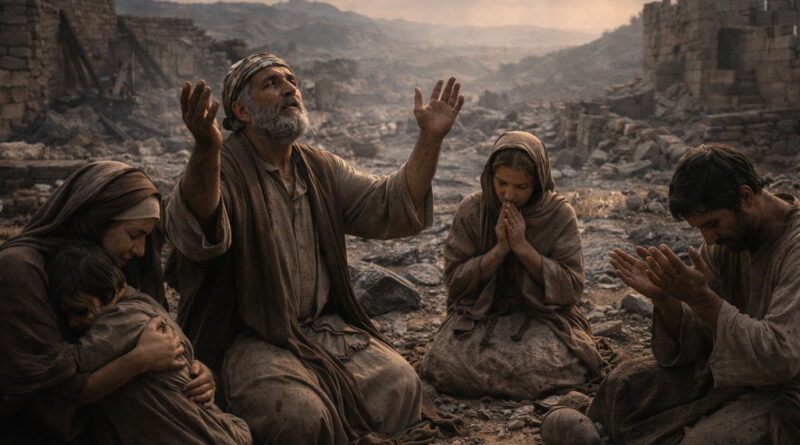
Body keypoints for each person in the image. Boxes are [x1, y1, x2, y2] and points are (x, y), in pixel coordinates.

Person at [165, 52, 464, 444]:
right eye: (272, 83)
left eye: (292, 81)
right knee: (297, 416)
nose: (290, 88)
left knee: (400, 384)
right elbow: (200, 226)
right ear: (241, 109)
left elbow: (389, 206)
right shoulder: (224, 168)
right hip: (250, 338)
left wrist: (429, 139)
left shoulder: (318, 167)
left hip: (320, 330)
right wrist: (206, 149)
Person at [588, 143, 800, 444]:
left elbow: (781, 359)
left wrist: (702, 299)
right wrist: (665, 300)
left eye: (712, 224)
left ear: (746, 197)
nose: (709, 240)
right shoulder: (727, 243)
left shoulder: (794, 247)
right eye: (699, 229)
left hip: (786, 391)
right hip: (733, 375)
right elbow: (702, 339)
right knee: (622, 385)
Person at [0, 161, 217, 444]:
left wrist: (189, 369)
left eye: (146, 238)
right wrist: (139, 360)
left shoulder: (109, 268)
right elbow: (48, 395)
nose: (140, 251)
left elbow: (151, 332)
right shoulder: (20, 271)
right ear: (98, 220)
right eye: (133, 235)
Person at [419, 131, 605, 399]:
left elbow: (571, 289)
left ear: (539, 182)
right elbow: (456, 282)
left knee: (552, 363)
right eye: (502, 183)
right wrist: (500, 250)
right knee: (444, 363)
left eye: (521, 187)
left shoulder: (558, 214)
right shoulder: (473, 210)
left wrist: (522, 247)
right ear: (489, 177)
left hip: (543, 318)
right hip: (480, 317)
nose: (509, 195)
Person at [49, 243, 252, 445]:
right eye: (66, 315)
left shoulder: (122, 319)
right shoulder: (147, 304)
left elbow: (75, 363)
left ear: (109, 294)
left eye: (82, 311)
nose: (73, 323)